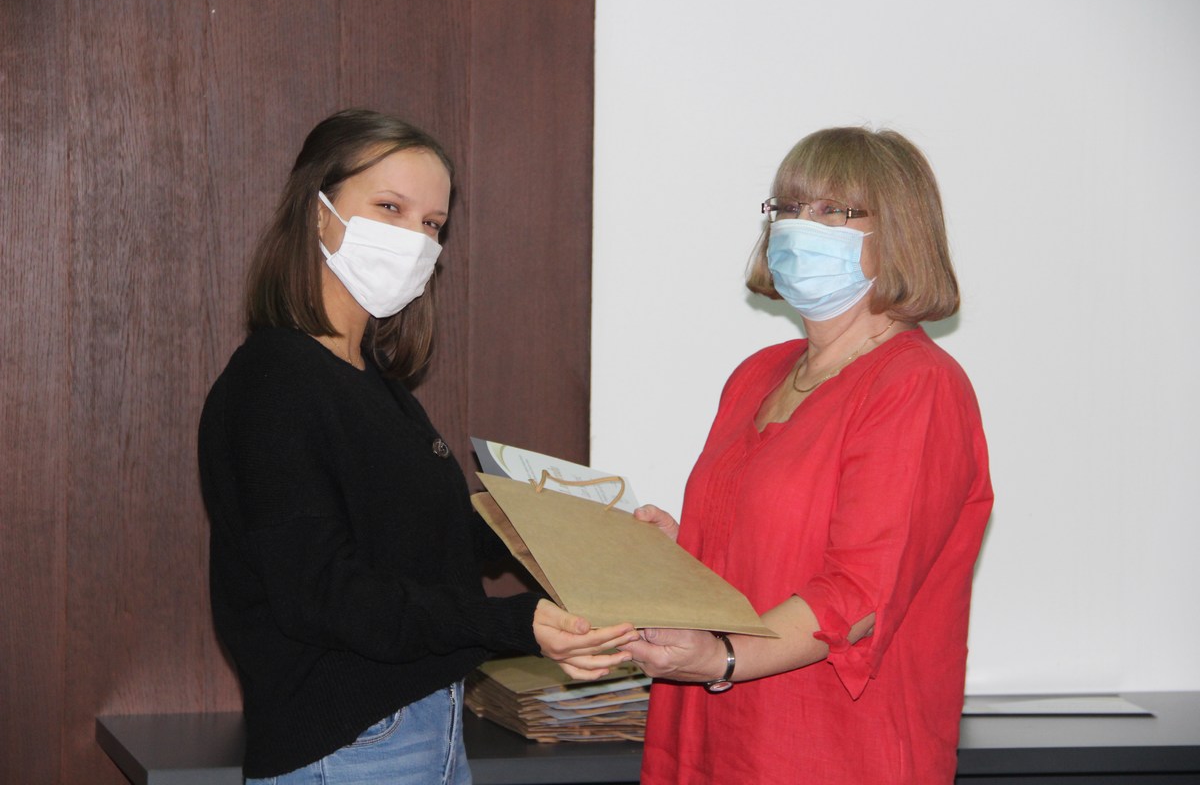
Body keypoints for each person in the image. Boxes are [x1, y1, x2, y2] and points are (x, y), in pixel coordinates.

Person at [198, 109, 637, 784]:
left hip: (417, 724)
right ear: (317, 212)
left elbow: (434, 534)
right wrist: (513, 623)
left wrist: (605, 535)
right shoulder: (276, 382)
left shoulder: (370, 381)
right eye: (389, 208)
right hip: (352, 743)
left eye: (432, 224)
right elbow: (321, 593)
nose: (414, 238)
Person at [621, 127, 993, 784]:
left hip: (831, 750)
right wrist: (681, 554)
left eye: (832, 210)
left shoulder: (917, 384)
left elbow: (860, 593)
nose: (799, 226)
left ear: (898, 231)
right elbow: (765, 551)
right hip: (710, 740)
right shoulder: (758, 375)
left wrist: (722, 658)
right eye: (788, 207)